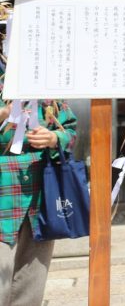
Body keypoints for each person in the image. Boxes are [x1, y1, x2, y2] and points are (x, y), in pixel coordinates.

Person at [0, 77, 77, 306]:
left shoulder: (45, 79)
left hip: (42, 189)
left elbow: (70, 131)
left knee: (33, 283)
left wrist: (55, 138)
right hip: (4, 187)